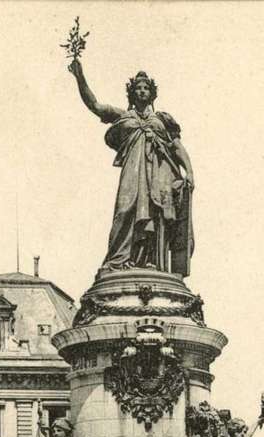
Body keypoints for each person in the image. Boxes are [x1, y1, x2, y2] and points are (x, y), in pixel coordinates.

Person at [69, 60, 195, 276]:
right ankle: (119, 259)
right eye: (138, 88)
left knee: (156, 215)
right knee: (124, 209)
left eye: (146, 88)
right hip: (132, 172)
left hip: (159, 175)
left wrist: (189, 170)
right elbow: (95, 106)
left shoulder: (162, 120)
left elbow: (176, 147)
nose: (142, 91)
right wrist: (80, 77)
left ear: (152, 93)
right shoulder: (123, 116)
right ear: (132, 93)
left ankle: (151, 262)